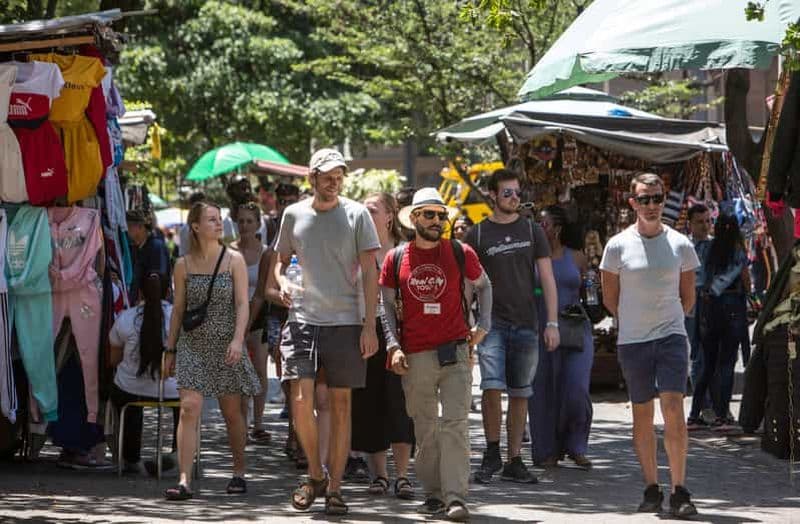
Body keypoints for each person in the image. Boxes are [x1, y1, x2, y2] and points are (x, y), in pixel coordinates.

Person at [269, 148, 380, 516]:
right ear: (312, 178)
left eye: (339, 177)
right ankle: (315, 473)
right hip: (302, 319)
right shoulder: (293, 214)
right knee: (300, 400)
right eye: (327, 176)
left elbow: (369, 272)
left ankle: (335, 488)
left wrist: (369, 326)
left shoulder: (357, 214)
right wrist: (282, 282)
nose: (334, 183)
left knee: (340, 404)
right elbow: (280, 262)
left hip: (346, 321)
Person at [381, 187, 492, 522]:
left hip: (456, 350)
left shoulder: (461, 252)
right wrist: (392, 345)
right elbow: (384, 305)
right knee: (425, 427)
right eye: (429, 214)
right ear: (413, 218)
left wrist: (484, 324)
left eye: (441, 215)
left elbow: (485, 285)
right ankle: (432, 494)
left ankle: (456, 497)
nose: (437, 220)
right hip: (415, 354)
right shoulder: (396, 258)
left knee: (456, 425)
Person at [599, 173, 699, 518]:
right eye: (644, 199)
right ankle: (652, 488)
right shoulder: (616, 246)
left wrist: (668, 320)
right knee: (642, 414)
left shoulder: (681, 244)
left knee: (673, 407)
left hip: (671, 336)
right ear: (633, 204)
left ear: (664, 199)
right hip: (633, 341)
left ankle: (680, 490)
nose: (652, 205)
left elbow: (688, 297)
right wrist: (635, 320)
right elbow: (610, 299)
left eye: (657, 198)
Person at [463, 169, 559, 485]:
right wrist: (467, 325)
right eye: (507, 193)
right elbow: (467, 286)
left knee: (521, 393)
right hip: (491, 324)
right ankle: (492, 452)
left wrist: (552, 323)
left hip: (527, 323)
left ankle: (514, 458)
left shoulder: (533, 232)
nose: (514, 198)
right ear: (492, 195)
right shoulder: (476, 236)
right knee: (491, 386)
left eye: (517, 192)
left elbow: (546, 279)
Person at [162, 202, 261, 500]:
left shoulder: (234, 260)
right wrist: (170, 348)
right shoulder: (183, 264)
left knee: (232, 413)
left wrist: (237, 339)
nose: (219, 224)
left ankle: (238, 471)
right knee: (190, 407)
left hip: (226, 344)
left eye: (220, 219)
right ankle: (184, 480)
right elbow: (178, 310)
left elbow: (243, 303)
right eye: (211, 220)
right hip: (192, 344)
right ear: (195, 226)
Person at [351, 192, 415, 499]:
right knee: (368, 403)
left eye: (373, 210)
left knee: (399, 404)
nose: (366, 215)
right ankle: (379, 475)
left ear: (390, 215)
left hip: (399, 335)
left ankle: (402, 476)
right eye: (363, 210)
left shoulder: (405, 252)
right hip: (363, 331)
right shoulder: (355, 250)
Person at [530, 206, 593, 469]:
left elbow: (590, 291)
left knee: (576, 387)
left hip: (575, 329)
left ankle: (576, 445)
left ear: (556, 228)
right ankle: (546, 450)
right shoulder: (531, 258)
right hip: (539, 328)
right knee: (541, 391)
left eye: (542, 224)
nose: (538, 228)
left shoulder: (577, 257)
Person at [109, 273, 178, 475]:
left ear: (139, 292)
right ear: (169, 292)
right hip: (172, 391)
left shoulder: (126, 318)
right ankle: (179, 450)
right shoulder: (177, 318)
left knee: (123, 392)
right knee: (188, 397)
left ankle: (131, 458)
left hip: (131, 390)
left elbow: (113, 360)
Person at [687, 213, 750, 431]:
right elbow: (746, 281)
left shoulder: (708, 250)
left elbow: (702, 279)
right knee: (727, 364)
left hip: (708, 310)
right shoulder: (738, 253)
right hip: (731, 310)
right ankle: (722, 416)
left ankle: (695, 415)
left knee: (707, 365)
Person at [230, 202, 271, 442]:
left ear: (258, 224)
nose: (244, 226)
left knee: (259, 368)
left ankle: (259, 421)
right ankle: (241, 424)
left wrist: (247, 325)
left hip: (258, 316)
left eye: (249, 221)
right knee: (238, 369)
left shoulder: (265, 252)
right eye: (241, 221)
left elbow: (262, 292)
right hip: (232, 315)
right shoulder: (228, 251)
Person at [685, 204, 714, 424]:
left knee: (714, 354)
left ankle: (717, 405)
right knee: (696, 355)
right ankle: (702, 406)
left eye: (708, 221)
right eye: (700, 222)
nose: (705, 226)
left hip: (712, 301)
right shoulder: (683, 247)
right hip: (691, 304)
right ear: (690, 224)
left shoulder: (715, 246)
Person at [127, 210, 171, 304]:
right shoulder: (138, 247)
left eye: (129, 227)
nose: (127, 231)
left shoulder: (156, 247)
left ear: (140, 227)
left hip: (155, 307)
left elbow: (157, 281)